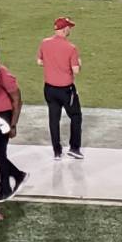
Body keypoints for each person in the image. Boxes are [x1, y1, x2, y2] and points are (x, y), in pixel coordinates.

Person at [0, 45, 28, 202]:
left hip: (3, 116)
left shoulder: (3, 74)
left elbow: (17, 100)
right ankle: (17, 175)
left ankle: (6, 188)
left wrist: (13, 125)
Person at [38, 16, 83, 158]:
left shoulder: (45, 43)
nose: (70, 29)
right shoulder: (71, 48)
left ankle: (56, 151)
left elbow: (39, 61)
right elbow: (75, 70)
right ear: (64, 29)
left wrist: (53, 65)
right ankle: (74, 148)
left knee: (53, 118)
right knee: (76, 116)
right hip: (66, 90)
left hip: (49, 89)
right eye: (69, 27)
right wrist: (79, 63)